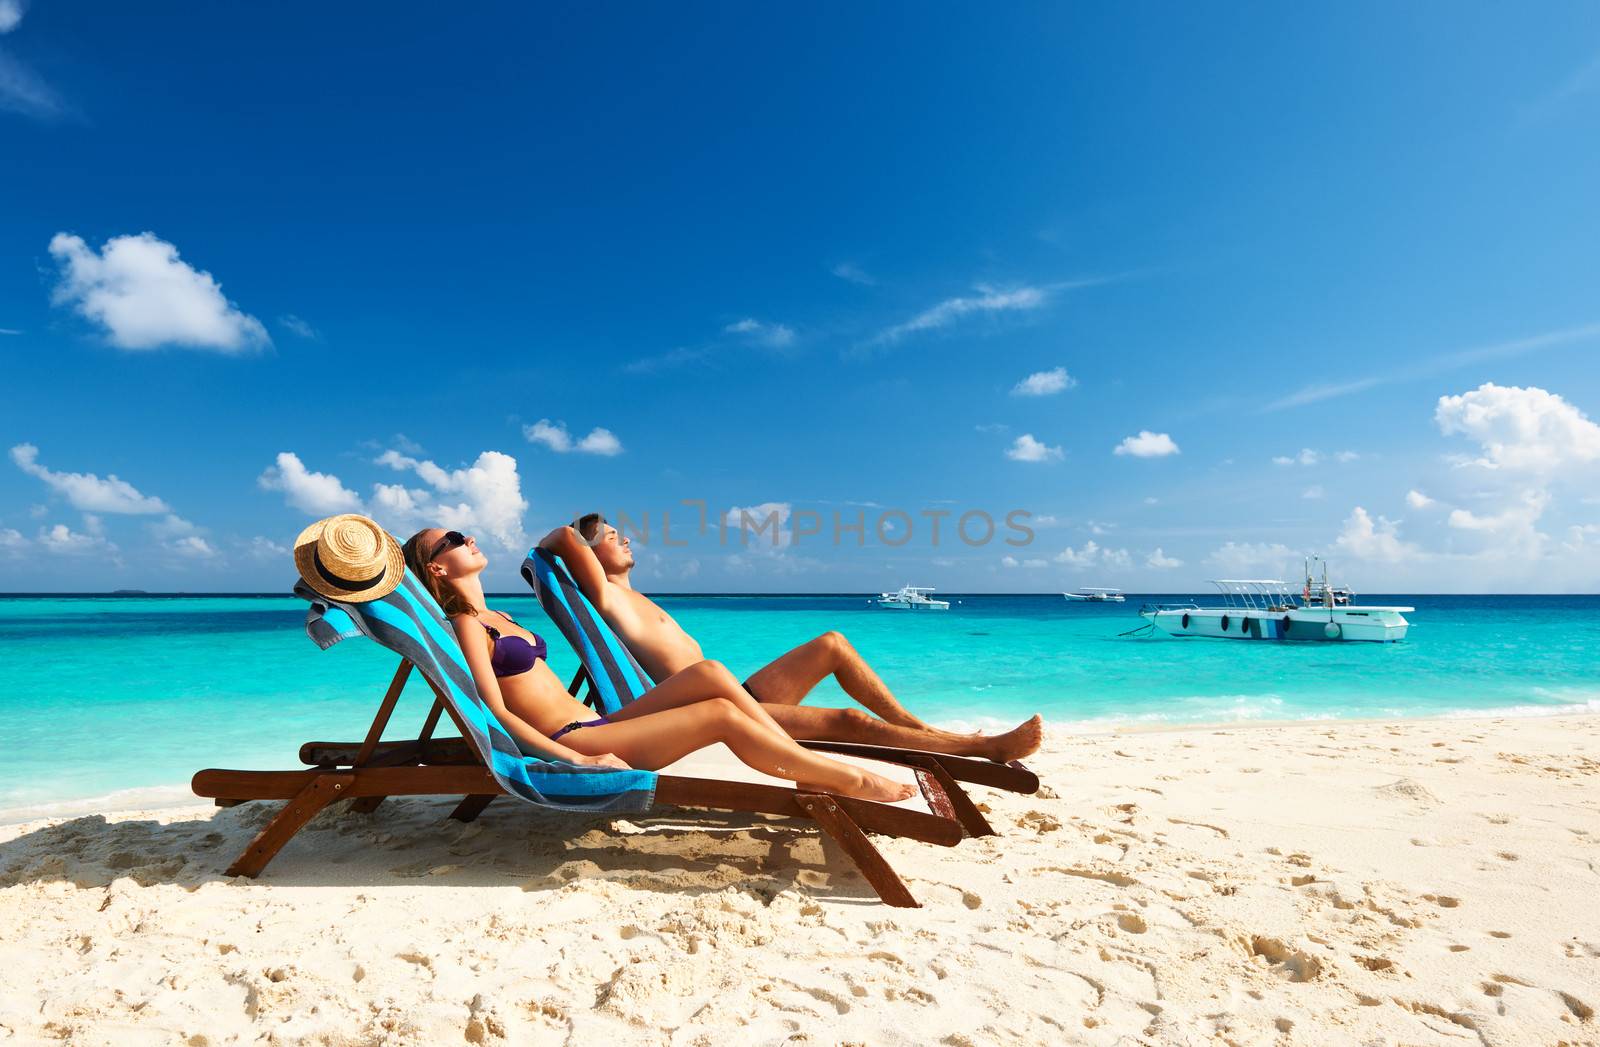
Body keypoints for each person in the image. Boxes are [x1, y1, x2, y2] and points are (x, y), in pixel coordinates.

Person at [401, 527, 914, 804]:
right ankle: (841, 777)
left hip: (597, 722)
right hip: (575, 738)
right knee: (720, 714)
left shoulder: (499, 615)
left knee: (711, 674)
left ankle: (805, 768)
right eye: (452, 541)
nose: (468, 538)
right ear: (438, 568)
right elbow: (493, 713)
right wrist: (576, 760)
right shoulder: (469, 624)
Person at [537, 515, 1042, 762]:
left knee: (833, 643)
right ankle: (980, 749)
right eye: (609, 535)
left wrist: (593, 536)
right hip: (714, 705)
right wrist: (579, 536)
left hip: (741, 693)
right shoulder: (605, 597)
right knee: (847, 721)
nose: (623, 537)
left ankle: (919, 727)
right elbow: (558, 537)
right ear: (589, 557)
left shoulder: (637, 594)